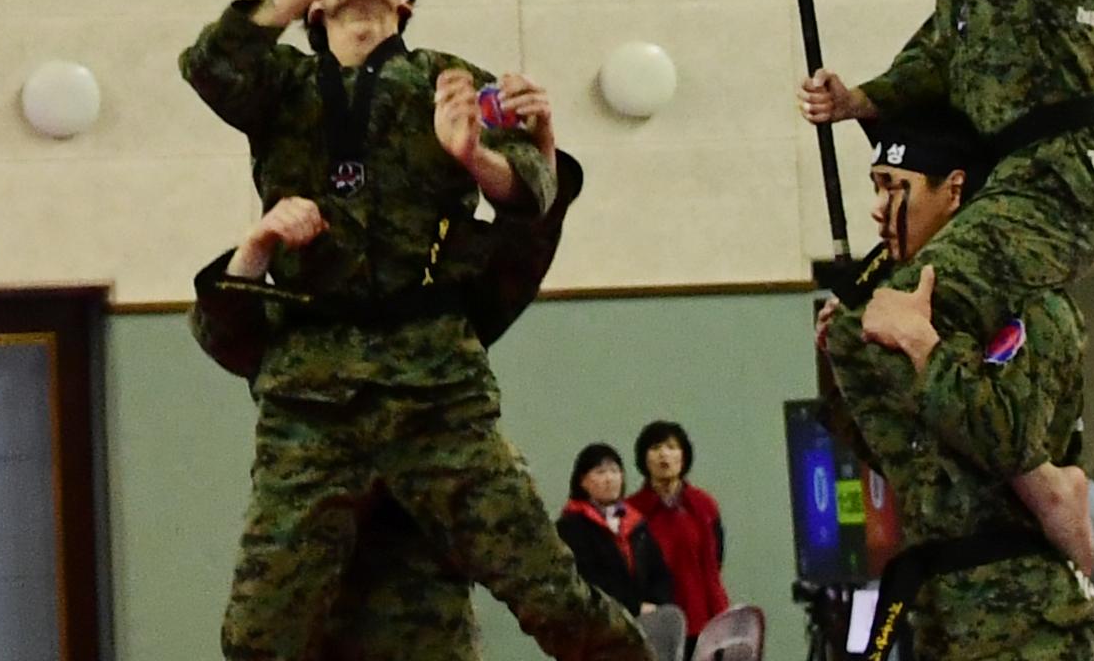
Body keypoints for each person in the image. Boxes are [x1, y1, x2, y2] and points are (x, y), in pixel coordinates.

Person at [186, 0, 656, 661]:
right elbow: (209, 64)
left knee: (548, 590)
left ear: (406, 5)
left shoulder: (448, 79)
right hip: (312, 399)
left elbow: (536, 186)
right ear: (313, 9)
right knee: (258, 634)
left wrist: (475, 160)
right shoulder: (281, 88)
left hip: (436, 389)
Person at [749, 0, 1094, 568]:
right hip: (1018, 177)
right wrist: (862, 99)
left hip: (1054, 182)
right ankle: (953, 507)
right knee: (851, 337)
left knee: (891, 321)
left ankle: (1040, 482)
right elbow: (944, 52)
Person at [191, 68, 585, 661]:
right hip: (329, 605)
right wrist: (259, 245)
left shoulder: (441, 320)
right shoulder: (305, 331)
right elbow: (224, 330)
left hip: (420, 612)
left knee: (554, 596)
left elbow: (525, 241)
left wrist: (518, 149)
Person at [811, 117, 1094, 661]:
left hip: (1023, 614)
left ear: (955, 191)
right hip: (939, 602)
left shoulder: (1025, 300)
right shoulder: (898, 306)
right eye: (874, 185)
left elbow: (1005, 441)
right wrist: (845, 359)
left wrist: (924, 347)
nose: (878, 206)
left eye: (895, 186)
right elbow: (905, 458)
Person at [631, 422, 729, 632]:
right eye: (655, 448)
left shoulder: (704, 505)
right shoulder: (632, 510)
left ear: (683, 456)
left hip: (703, 615)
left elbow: (716, 559)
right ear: (644, 458)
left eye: (672, 447)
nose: (663, 455)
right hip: (653, 621)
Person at [559, 446, 678, 619]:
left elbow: (659, 572)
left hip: (646, 621)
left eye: (615, 471)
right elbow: (587, 579)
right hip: (599, 623)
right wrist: (633, 607)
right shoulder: (572, 526)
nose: (609, 479)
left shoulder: (636, 523)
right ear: (582, 481)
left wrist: (657, 604)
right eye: (600, 472)